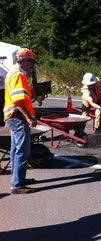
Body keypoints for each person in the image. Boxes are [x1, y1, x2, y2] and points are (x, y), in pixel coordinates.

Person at [3, 48, 37, 194]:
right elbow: (18, 101)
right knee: (22, 151)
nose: (31, 65)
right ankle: (17, 185)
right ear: (24, 60)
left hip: (13, 116)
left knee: (15, 150)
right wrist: (29, 117)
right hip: (18, 116)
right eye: (30, 62)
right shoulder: (18, 75)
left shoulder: (15, 73)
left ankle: (18, 178)